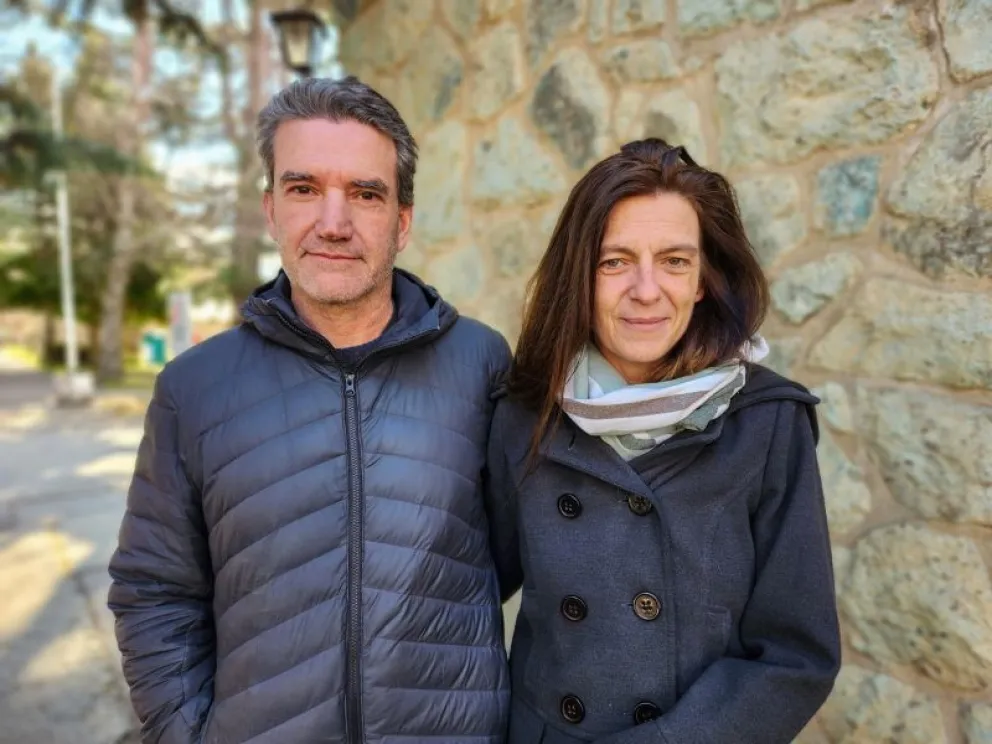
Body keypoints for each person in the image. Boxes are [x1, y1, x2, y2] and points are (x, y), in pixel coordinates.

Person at [108, 76, 511, 744]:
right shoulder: (194, 387)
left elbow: (506, 556)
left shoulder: (481, 365)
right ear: (271, 210)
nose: (333, 222)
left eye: (365, 193)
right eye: (304, 189)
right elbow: (154, 589)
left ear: (402, 221)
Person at [485, 139, 841, 743]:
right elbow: (466, 590)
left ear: (704, 279)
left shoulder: (766, 421)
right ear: (580, 276)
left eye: (674, 261)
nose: (646, 291)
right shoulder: (526, 412)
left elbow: (794, 656)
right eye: (615, 261)